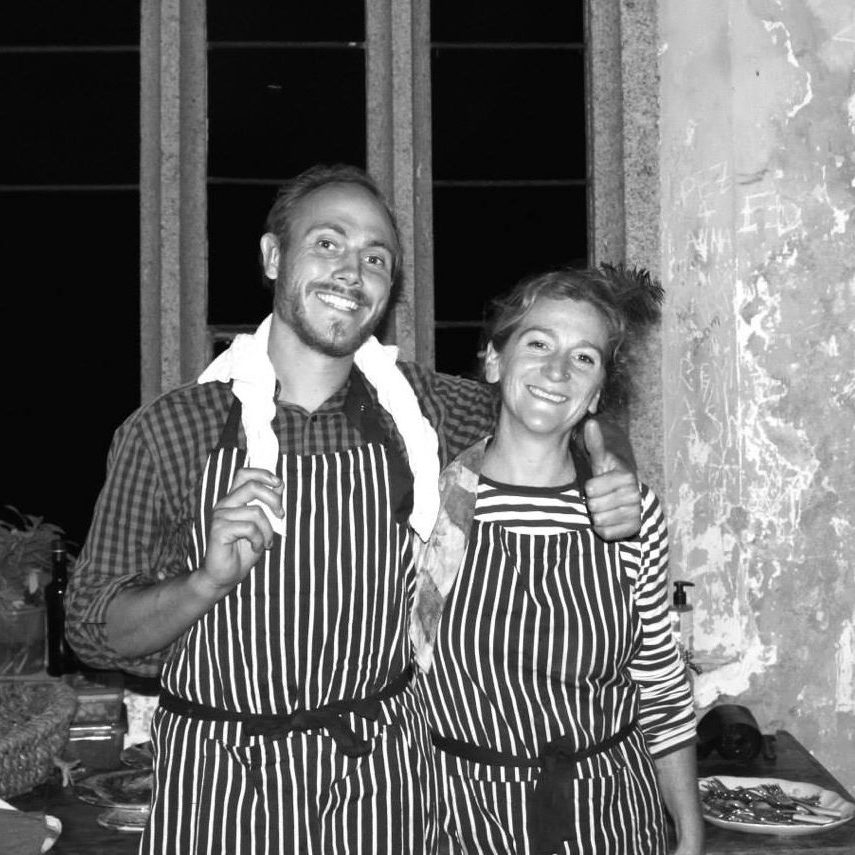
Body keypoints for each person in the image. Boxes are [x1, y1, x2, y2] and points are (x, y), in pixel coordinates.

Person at [66, 164, 642, 855]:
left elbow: (548, 398)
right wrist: (204, 583)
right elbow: (94, 631)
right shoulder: (172, 430)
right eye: (327, 244)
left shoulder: (427, 412)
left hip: (378, 782)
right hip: (220, 778)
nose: (351, 271)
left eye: (376, 258)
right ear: (273, 256)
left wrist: (610, 459)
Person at [412, 267, 704, 854]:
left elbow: (660, 683)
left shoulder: (629, 513)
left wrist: (691, 835)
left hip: (611, 817)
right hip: (462, 819)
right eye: (539, 343)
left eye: (584, 358)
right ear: (494, 361)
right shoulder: (430, 507)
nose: (557, 370)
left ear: (596, 394)